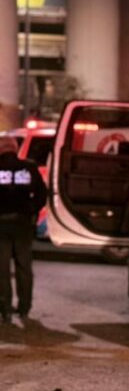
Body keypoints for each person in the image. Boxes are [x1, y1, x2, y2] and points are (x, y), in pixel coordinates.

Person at [0, 135, 46, 324]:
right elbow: (42, 194)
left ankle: (5, 310)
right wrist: (31, 210)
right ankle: (24, 308)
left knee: (2, 270)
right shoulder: (29, 167)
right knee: (24, 267)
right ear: (15, 149)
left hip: (0, 225)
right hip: (22, 224)